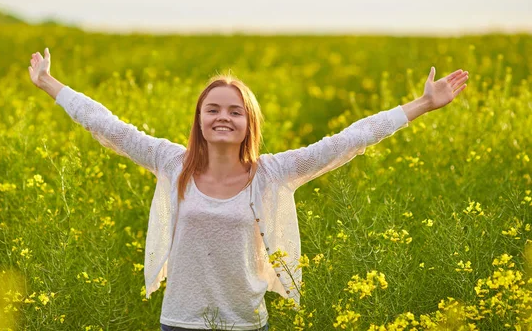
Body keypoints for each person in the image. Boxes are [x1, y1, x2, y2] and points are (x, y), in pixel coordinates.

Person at [29, 47, 468, 331]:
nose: (223, 116)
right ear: (199, 120)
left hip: (247, 324)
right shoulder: (171, 162)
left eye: (235, 111)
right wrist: (50, 83)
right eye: (213, 109)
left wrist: (422, 105)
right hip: (180, 322)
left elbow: (348, 140)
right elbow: (107, 125)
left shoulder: (272, 174)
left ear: (248, 124)